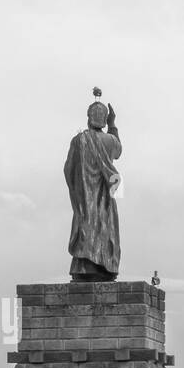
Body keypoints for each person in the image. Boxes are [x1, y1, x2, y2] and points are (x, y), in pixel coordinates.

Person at [63, 93, 123, 281]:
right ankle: (105, 266)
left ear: (89, 118)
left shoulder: (79, 140)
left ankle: (84, 266)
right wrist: (113, 125)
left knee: (86, 227)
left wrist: (78, 190)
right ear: (104, 120)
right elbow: (119, 151)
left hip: (84, 198)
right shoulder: (110, 141)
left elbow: (68, 169)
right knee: (105, 230)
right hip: (105, 197)